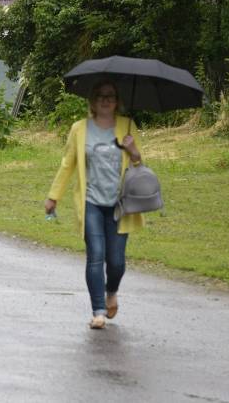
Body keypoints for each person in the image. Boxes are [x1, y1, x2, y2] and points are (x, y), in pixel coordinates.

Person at [44, 80, 143, 329]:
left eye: (110, 95)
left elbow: (139, 166)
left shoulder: (127, 126)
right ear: (92, 100)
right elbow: (68, 164)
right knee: (96, 255)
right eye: (100, 95)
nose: (105, 100)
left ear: (117, 100)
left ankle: (112, 292)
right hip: (91, 203)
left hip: (120, 205)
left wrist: (133, 151)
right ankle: (98, 311)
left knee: (117, 261)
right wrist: (53, 196)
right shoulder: (80, 129)